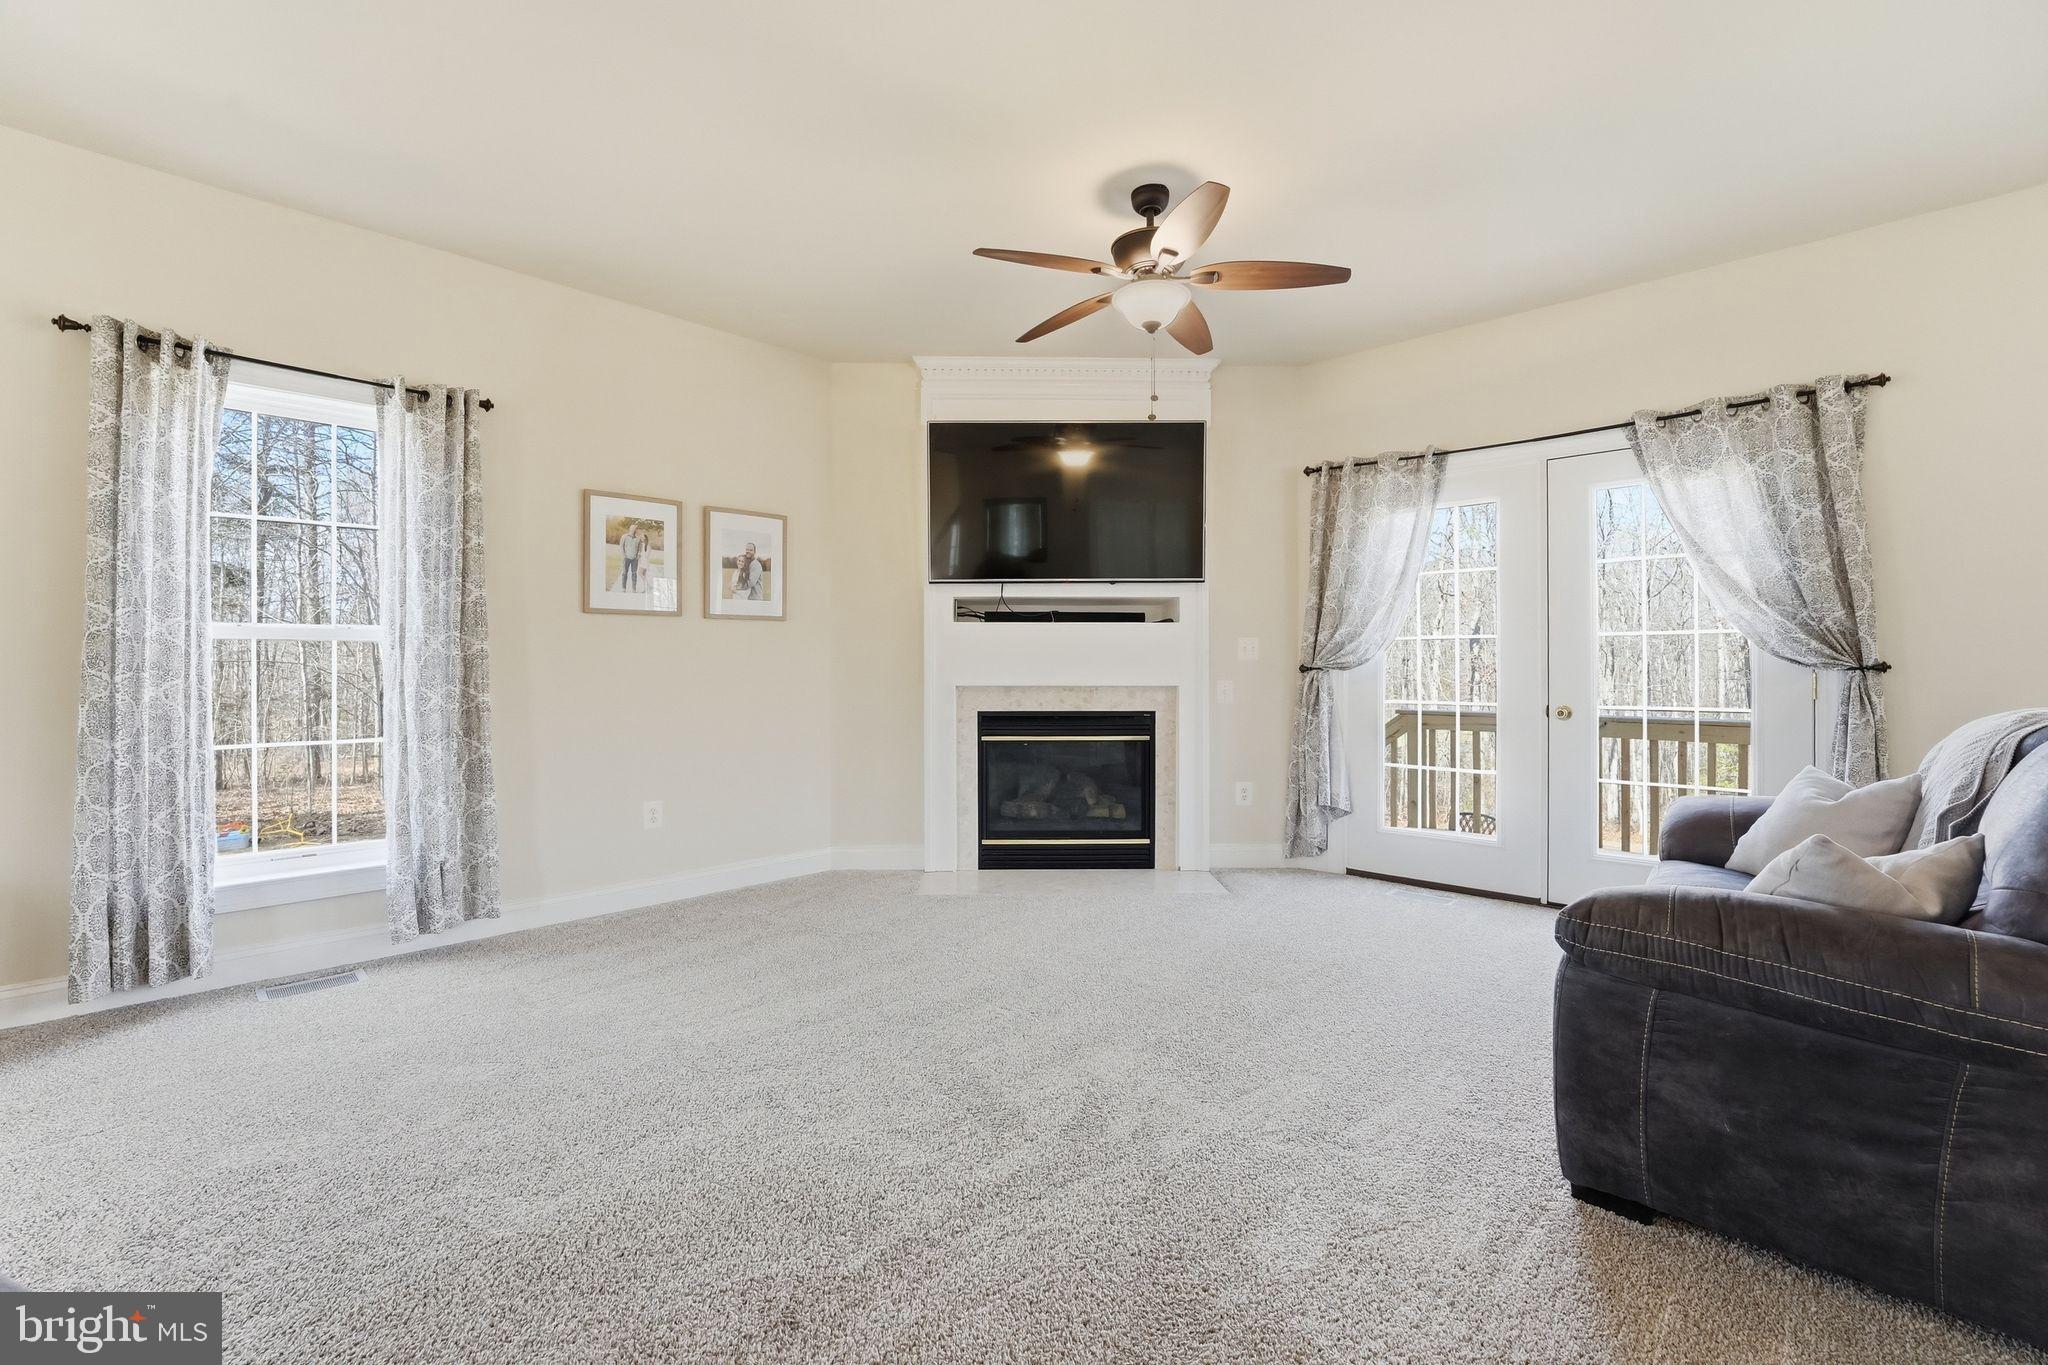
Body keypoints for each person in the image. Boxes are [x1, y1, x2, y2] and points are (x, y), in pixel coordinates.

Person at [618, 524, 644, 592]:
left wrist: (639, 554)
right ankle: (623, 588)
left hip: (634, 559)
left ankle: (633, 589)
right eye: (632, 528)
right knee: (624, 573)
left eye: (635, 529)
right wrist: (623, 555)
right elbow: (621, 546)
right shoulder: (624, 536)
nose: (633, 530)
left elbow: (640, 547)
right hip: (626, 558)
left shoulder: (638, 538)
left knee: (634, 573)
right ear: (630, 529)